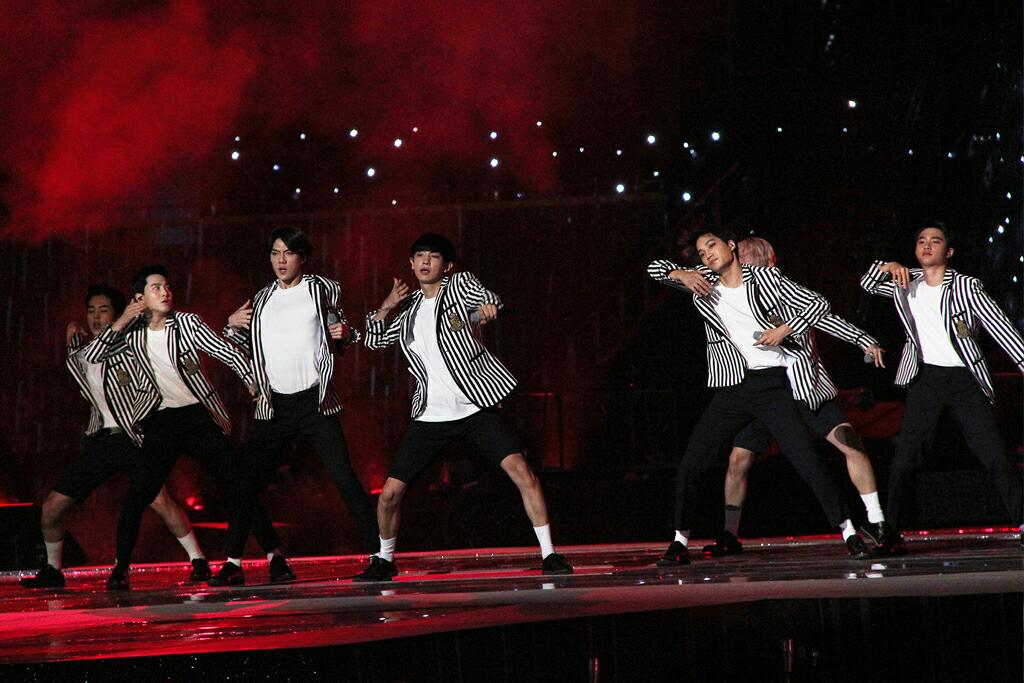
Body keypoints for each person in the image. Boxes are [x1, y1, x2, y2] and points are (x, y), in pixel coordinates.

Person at [354, 233, 573, 581]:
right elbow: (373, 339)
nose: (426, 262)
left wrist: (487, 308)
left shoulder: (458, 285)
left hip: (474, 407)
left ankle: (550, 554)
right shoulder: (408, 310)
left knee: (523, 473)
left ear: (447, 265)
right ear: (411, 263)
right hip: (430, 416)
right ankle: (384, 559)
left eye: (434, 256)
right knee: (390, 494)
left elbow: (485, 298)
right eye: (420, 256)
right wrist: (387, 305)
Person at [648, 228, 871, 566]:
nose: (707, 254)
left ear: (731, 246)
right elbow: (654, 268)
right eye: (701, 252)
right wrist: (681, 273)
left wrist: (785, 329)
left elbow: (819, 304)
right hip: (734, 387)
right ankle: (680, 541)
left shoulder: (765, 278)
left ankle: (850, 532)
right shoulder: (703, 281)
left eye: (712, 246)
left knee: (807, 461)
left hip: (772, 387)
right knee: (692, 462)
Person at [85, 266, 285, 589]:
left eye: (167, 286)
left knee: (237, 484)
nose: (165, 292)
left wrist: (251, 380)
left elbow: (226, 351)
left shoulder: (187, 324)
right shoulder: (132, 334)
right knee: (138, 496)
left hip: (197, 417)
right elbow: (92, 356)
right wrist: (121, 320)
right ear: (139, 297)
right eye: (156, 288)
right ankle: (120, 569)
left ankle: (275, 556)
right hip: (161, 421)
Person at [704, 237, 896, 557]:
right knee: (738, 458)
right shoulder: (733, 300)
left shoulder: (789, 295)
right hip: (764, 395)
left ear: (770, 264)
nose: (750, 270)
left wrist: (865, 340)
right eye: (745, 263)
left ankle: (876, 521)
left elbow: (828, 318)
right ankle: (729, 533)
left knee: (850, 443)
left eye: (755, 263)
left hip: (805, 391)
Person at [211, 228, 379, 586]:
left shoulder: (322, 289)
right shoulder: (261, 299)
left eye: (288, 253)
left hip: (315, 402)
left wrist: (345, 333)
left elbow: (340, 329)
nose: (281, 260)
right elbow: (236, 344)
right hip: (275, 406)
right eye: (275, 253)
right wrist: (230, 326)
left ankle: (379, 556)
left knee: (343, 477)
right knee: (246, 483)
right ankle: (234, 562)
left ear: (302, 257)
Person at [20, 286, 208, 588]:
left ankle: (198, 560)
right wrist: (73, 332)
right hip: (102, 440)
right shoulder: (84, 352)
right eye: (90, 311)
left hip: (134, 438)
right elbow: (80, 358)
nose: (95, 317)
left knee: (160, 500)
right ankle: (53, 570)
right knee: (52, 507)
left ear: (116, 314)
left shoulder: (131, 348)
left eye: (103, 310)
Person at [861, 221, 1024, 551]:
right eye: (921, 240)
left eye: (935, 241)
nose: (926, 245)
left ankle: (1022, 520)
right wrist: (887, 266)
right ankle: (891, 531)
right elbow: (867, 283)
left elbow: (1001, 328)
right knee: (905, 457)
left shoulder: (966, 286)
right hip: (925, 378)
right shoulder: (905, 281)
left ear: (948, 252)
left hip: (964, 379)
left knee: (994, 454)